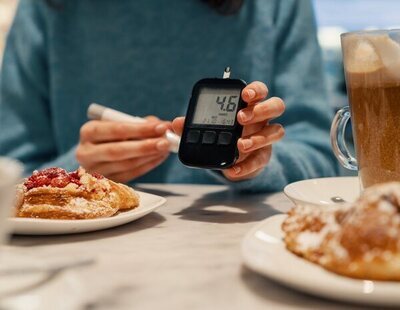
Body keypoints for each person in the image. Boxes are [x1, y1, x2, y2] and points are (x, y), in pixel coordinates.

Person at [0, 0, 337, 193]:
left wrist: (260, 162)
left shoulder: (275, 6)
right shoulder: (44, 8)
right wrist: (76, 175)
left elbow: (323, 161)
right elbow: (9, 176)